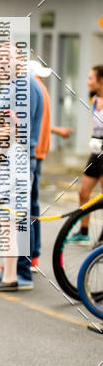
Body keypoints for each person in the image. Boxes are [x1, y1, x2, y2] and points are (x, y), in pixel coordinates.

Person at [0, 44, 43, 292]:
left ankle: (18, 273)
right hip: (10, 160)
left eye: (5, 58)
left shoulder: (24, 85)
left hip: (16, 160)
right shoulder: (14, 84)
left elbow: (13, 131)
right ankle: (10, 271)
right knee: (12, 217)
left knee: (13, 218)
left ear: (20, 58)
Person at [28, 60, 73, 264]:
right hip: (40, 151)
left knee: (27, 207)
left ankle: (29, 256)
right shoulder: (43, 91)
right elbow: (42, 125)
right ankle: (34, 254)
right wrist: (58, 130)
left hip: (33, 152)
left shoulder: (32, 91)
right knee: (32, 205)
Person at [67, 64, 103, 243]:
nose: (88, 82)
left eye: (91, 78)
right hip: (95, 152)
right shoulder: (94, 100)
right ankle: (84, 231)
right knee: (83, 192)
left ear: (101, 80)